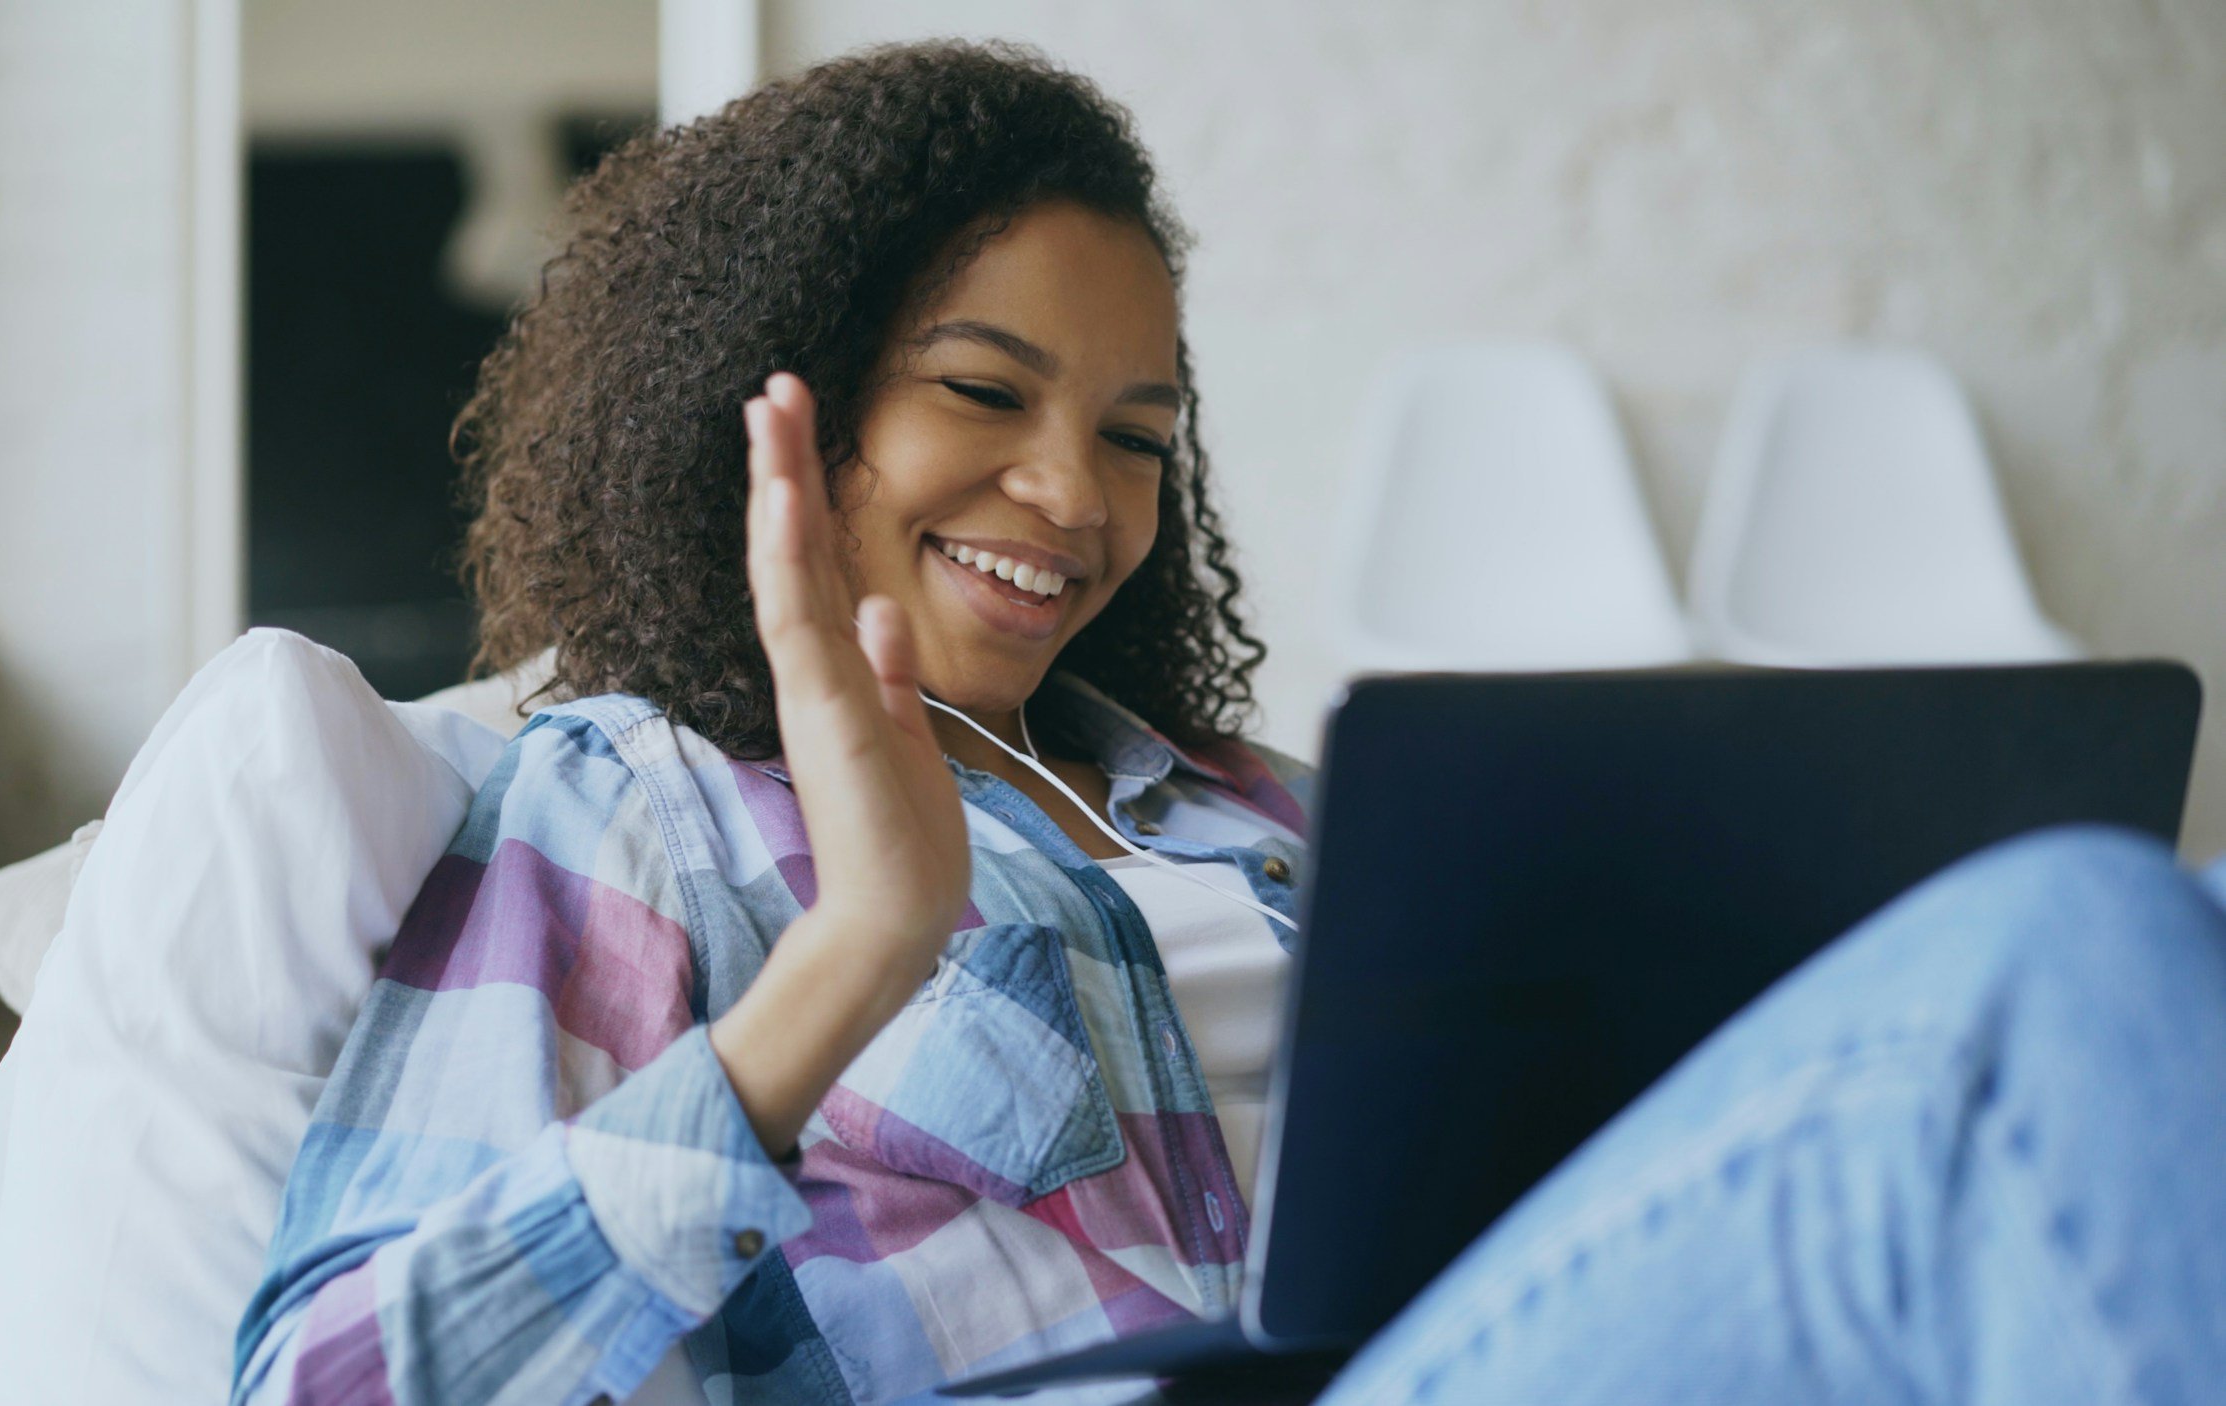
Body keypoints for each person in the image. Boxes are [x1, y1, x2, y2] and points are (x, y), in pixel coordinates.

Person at [231, 41, 2226, 1406]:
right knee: (2076, 954)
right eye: (985, 397)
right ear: (797, 415)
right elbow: (325, 1379)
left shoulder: (1256, 809)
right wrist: (852, 954)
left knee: (2177, 936)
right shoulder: (626, 807)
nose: (1076, 500)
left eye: (1132, 437)